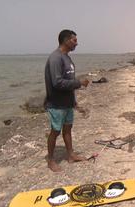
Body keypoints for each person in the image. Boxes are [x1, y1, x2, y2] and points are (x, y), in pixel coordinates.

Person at [44, 29, 89, 172]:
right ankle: (51, 160)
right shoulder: (55, 58)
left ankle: (70, 155)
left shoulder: (67, 58)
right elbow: (57, 82)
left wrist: (74, 101)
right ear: (66, 40)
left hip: (67, 103)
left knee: (68, 129)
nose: (77, 43)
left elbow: (68, 80)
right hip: (56, 104)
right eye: (74, 40)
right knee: (55, 131)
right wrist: (79, 83)